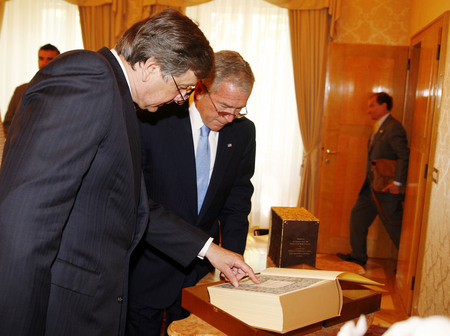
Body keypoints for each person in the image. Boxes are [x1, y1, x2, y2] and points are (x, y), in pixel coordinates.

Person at [0, 9, 258, 336]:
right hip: (64, 305)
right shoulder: (88, 77)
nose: (182, 100)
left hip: (94, 300)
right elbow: (24, 219)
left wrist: (211, 250)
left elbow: (135, 205)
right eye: (183, 88)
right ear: (151, 67)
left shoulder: (123, 101)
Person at [127, 50, 256, 336]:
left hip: (198, 273)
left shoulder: (242, 133)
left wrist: (231, 257)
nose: (231, 118)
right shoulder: (154, 120)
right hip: (146, 266)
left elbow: (237, 200)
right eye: (224, 106)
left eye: (239, 109)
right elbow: (139, 203)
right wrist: (208, 248)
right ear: (199, 88)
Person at [337, 92, 410, 267]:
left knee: (394, 225)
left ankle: (407, 267)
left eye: (372, 105)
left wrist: (398, 183)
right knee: (357, 217)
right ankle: (358, 256)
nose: (368, 110)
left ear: (383, 106)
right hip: (371, 186)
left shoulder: (394, 128)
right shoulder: (379, 126)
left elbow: (404, 155)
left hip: (386, 189)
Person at [2, 43, 60, 136]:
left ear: (58, 62)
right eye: (41, 58)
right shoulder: (20, 90)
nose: (44, 63)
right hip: (22, 146)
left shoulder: (65, 90)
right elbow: (8, 124)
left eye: (50, 59)